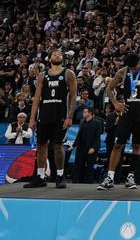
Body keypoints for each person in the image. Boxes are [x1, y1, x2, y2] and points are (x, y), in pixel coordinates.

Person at [98, 53, 140, 191]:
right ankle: (110, 177)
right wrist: (116, 103)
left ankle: (131, 176)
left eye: (135, 67)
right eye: (131, 68)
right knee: (118, 145)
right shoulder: (123, 71)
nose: (133, 70)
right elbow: (109, 88)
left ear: (139, 62)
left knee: (136, 146)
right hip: (126, 114)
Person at [25, 49, 77, 189]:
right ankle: (40, 176)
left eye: (59, 54)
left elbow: (73, 97)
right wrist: (32, 118)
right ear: (49, 59)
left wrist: (70, 116)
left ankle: (60, 175)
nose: (58, 55)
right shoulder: (42, 75)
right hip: (44, 115)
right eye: (55, 54)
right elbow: (36, 98)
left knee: (58, 145)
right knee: (41, 145)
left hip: (60, 114)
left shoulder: (68, 73)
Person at [72, 107, 103, 183]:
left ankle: (89, 181)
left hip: (91, 147)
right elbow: (79, 135)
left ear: (90, 113)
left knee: (90, 165)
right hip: (81, 146)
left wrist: (93, 147)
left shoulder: (97, 122)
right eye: (83, 112)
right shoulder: (82, 121)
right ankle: (78, 181)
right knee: (78, 165)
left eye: (85, 112)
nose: (83, 113)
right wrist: (73, 145)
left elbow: (97, 136)